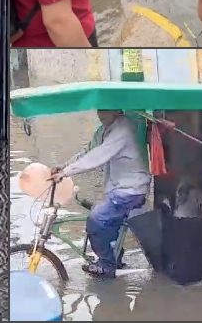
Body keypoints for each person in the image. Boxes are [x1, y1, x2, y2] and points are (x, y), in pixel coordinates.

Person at [50, 110, 151, 278]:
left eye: (104, 109)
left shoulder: (122, 130)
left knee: (97, 221)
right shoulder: (105, 129)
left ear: (116, 109)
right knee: (104, 218)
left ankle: (106, 265)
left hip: (130, 190)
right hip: (119, 189)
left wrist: (67, 172)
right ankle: (115, 255)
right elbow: (89, 151)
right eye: (99, 109)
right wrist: (64, 166)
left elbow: (98, 156)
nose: (100, 114)